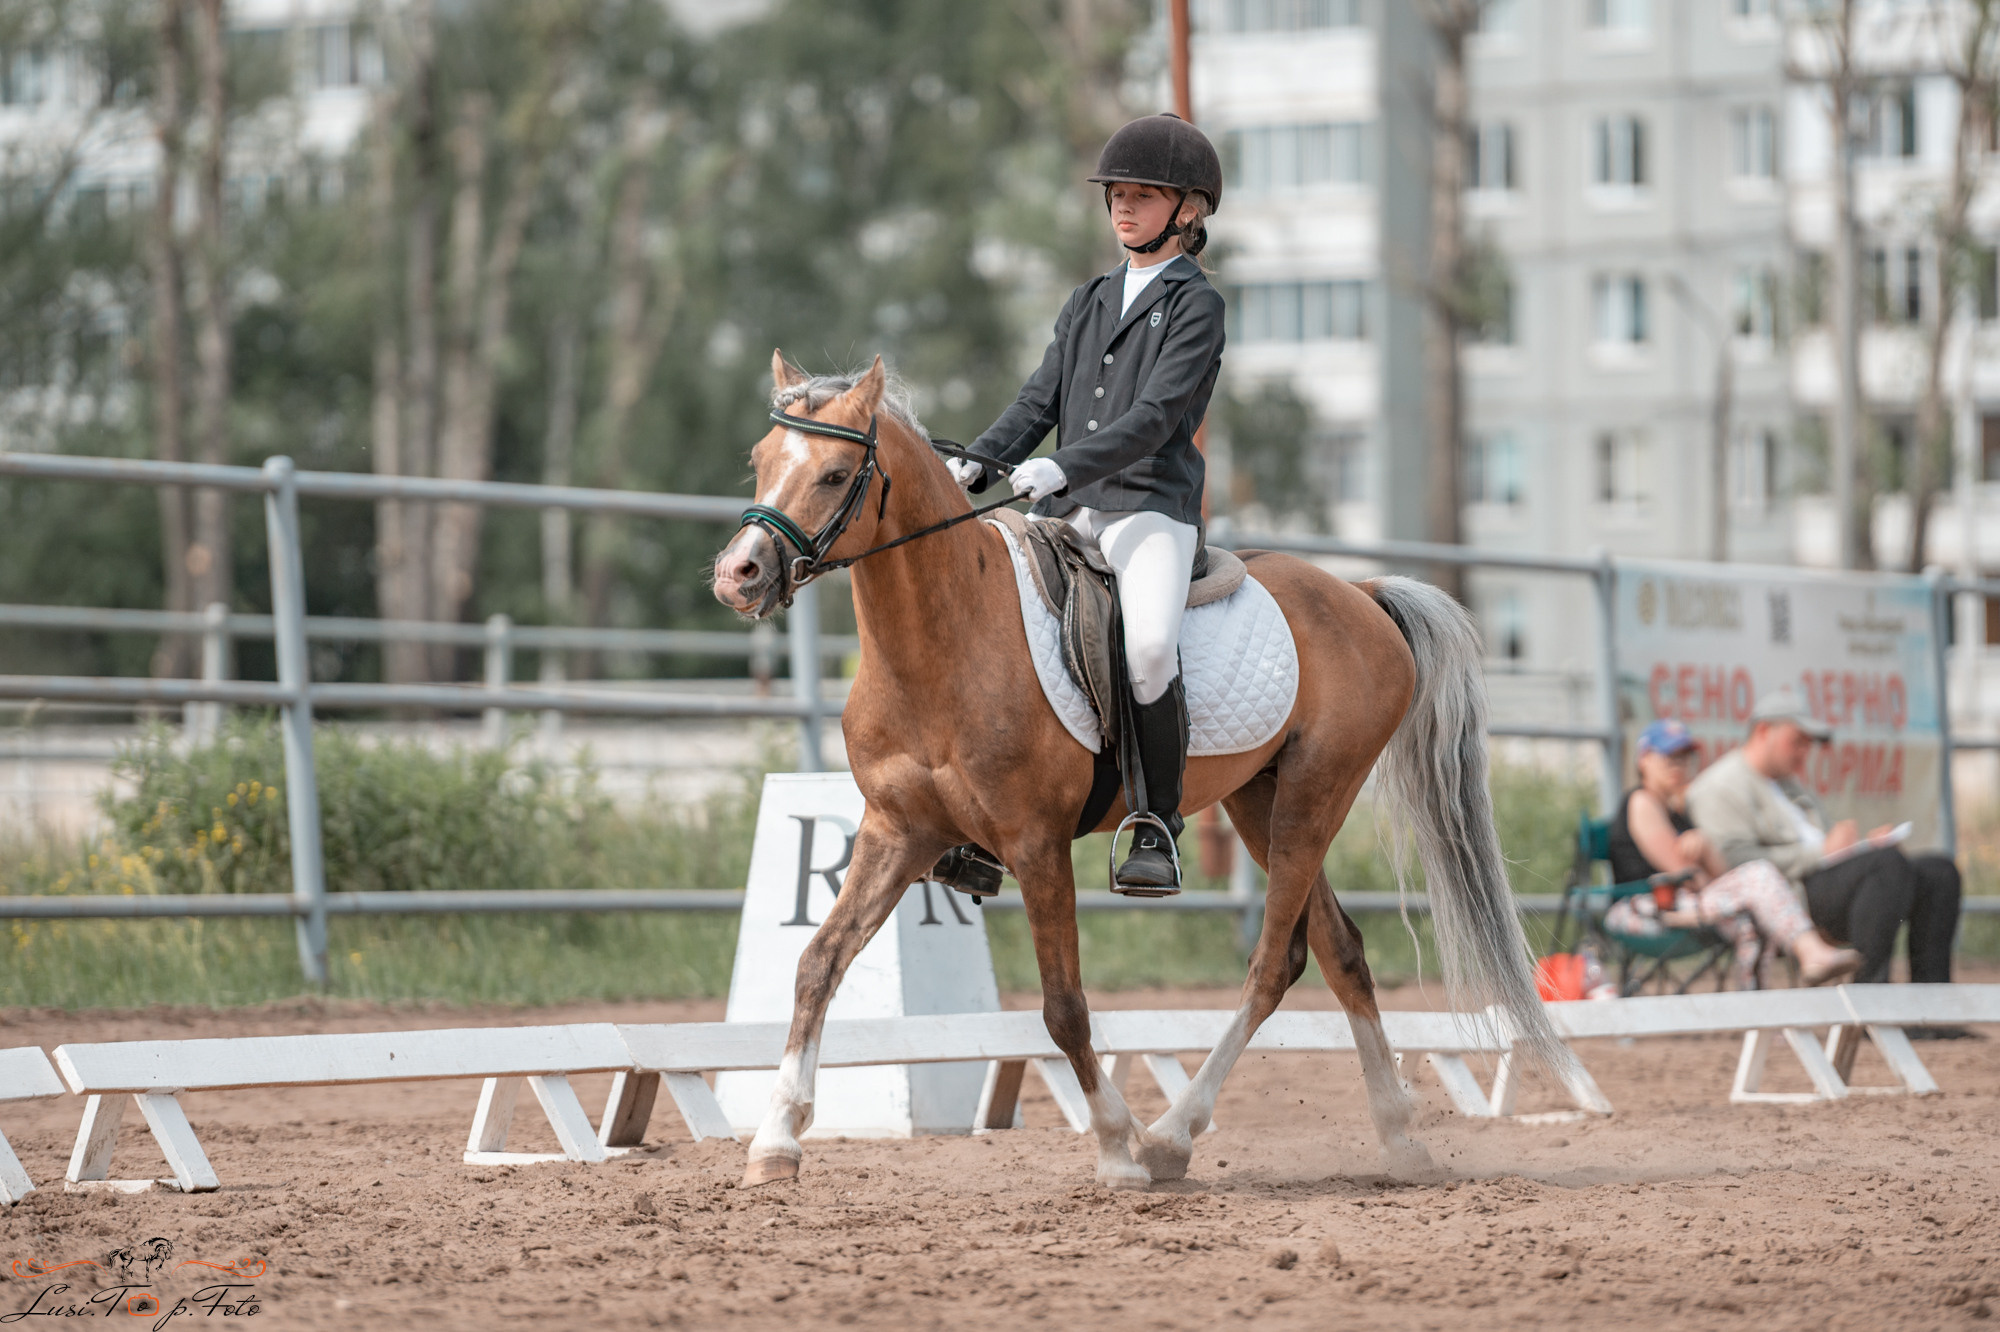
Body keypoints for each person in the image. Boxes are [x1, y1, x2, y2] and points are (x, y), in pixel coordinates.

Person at [949, 113, 1226, 894]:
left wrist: (1060, 468)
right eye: (1117, 195)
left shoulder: (1198, 308)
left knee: (1144, 650)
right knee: (998, 630)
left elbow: (1155, 420)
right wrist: (979, 460)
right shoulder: (1090, 298)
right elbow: (1040, 398)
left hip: (1148, 510)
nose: (1123, 209)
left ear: (1190, 209)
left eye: (1141, 196)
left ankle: (1155, 823)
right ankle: (986, 821)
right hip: (1066, 509)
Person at [1687, 686, 1962, 986]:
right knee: (1885, 865)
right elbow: (1734, 864)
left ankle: (1931, 1010)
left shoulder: (1788, 785)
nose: (1805, 753)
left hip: (1828, 882)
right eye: (1798, 741)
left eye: (1808, 745)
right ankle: (1870, 1004)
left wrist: (1864, 847)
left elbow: (1826, 847)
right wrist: (1825, 854)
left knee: (1939, 871)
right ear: (1764, 731)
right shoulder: (1720, 786)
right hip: (1789, 898)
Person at [1605, 720, 1862, 989]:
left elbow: (1719, 875)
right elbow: (1687, 876)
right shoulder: (1641, 801)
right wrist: (1717, 870)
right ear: (1644, 759)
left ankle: (1758, 1014)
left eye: (1683, 757)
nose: (1677, 765)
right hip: (1645, 908)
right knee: (1759, 874)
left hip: (1685, 905)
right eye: (1668, 756)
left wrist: (1706, 848)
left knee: (1750, 917)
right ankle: (1811, 951)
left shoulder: (1677, 809)